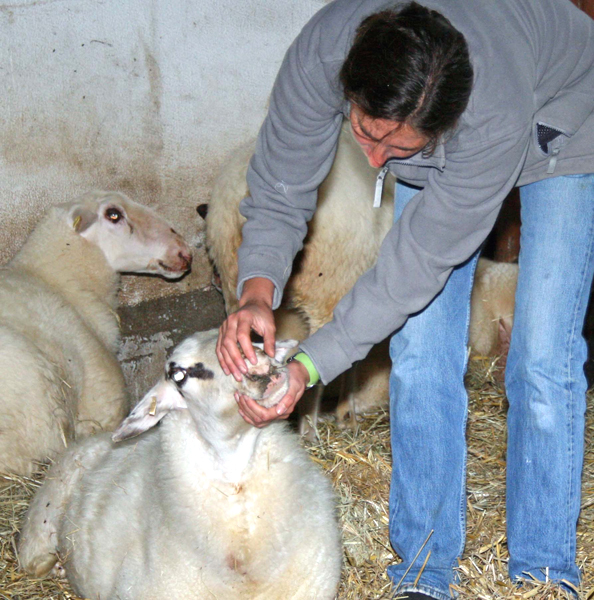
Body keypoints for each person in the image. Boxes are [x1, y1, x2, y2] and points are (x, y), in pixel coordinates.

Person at [216, 1, 594, 598]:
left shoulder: (487, 112)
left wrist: (311, 364)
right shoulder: (324, 51)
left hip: (565, 113)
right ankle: (424, 570)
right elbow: (284, 177)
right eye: (366, 132)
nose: (371, 161)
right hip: (458, 118)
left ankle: (543, 572)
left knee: (542, 356)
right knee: (420, 351)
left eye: (396, 147)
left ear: (445, 124)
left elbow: (414, 266)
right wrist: (255, 289)